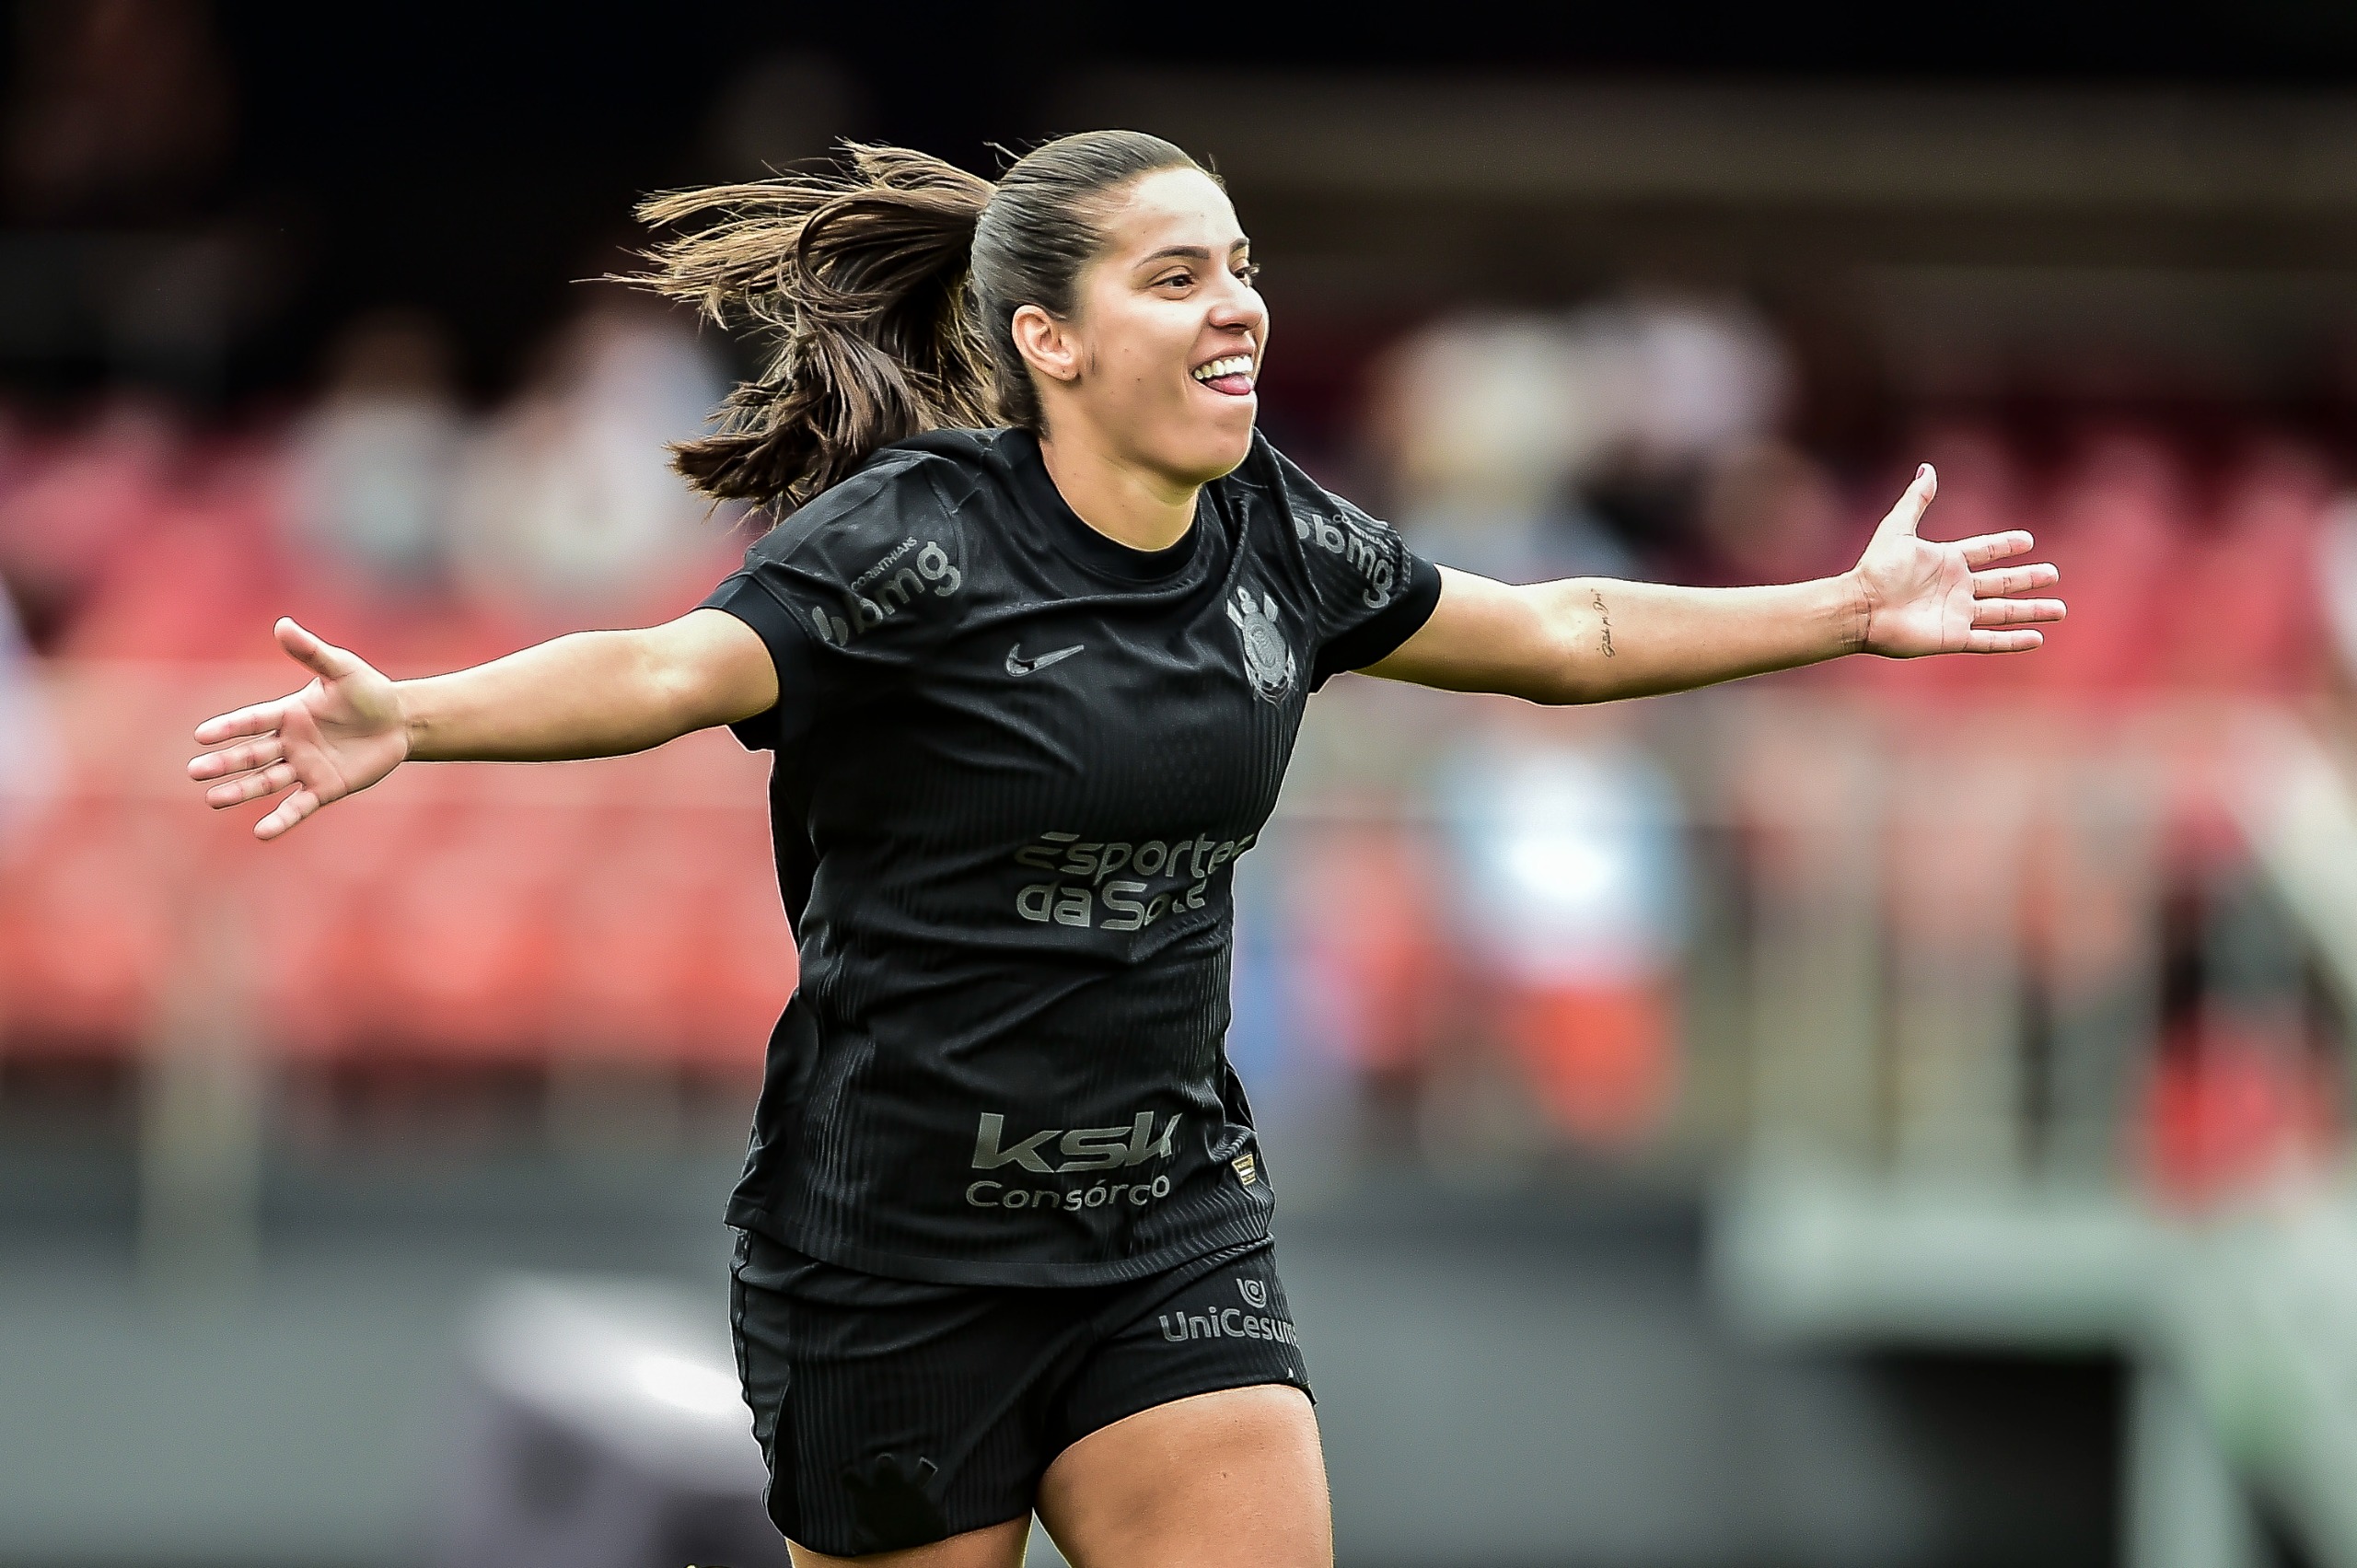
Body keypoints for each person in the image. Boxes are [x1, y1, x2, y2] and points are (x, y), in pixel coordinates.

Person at [185, 134, 2063, 1568]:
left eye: (1240, 267)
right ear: (1050, 339)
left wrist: (1830, 609)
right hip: (889, 1264)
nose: (1235, 304)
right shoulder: (908, 544)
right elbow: (669, 667)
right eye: (1177, 277)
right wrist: (417, 714)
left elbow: (1556, 634)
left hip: (1163, 1222)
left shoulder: (1277, 535)